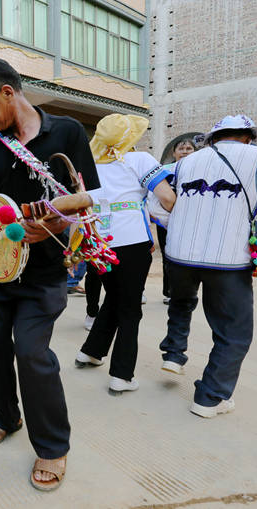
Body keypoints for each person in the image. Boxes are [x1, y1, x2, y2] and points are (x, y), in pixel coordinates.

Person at [0, 58, 100, 491]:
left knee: (33, 354)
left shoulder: (68, 133)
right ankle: (7, 416)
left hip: (42, 274)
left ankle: (53, 446)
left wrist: (54, 224)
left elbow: (85, 199)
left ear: (7, 93)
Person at [153, 115, 257, 417]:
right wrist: (256, 228)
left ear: (214, 138)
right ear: (247, 137)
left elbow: (156, 199)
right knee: (233, 330)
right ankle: (211, 396)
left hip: (179, 254)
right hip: (228, 259)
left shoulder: (185, 162)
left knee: (181, 301)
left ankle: (174, 353)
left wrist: (174, 224)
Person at [73, 114, 176, 396]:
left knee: (115, 298)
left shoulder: (89, 166)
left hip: (98, 243)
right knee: (130, 308)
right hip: (132, 243)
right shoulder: (140, 160)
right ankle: (122, 375)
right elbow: (167, 199)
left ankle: (91, 352)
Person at [156, 139, 195, 304]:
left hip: (191, 221)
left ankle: (188, 291)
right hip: (166, 222)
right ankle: (170, 291)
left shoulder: (200, 171)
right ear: (173, 153)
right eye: (181, 148)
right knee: (168, 256)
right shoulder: (164, 171)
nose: (185, 151)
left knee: (189, 256)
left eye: (189, 148)